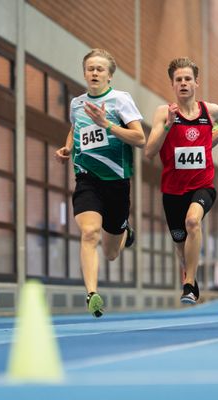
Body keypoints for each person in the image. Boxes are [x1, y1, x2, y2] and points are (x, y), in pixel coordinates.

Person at [55, 49, 145, 317]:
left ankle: (125, 232)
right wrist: (68, 147)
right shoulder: (76, 104)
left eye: (100, 69)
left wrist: (107, 125)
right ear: (84, 72)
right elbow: (75, 128)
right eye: (90, 68)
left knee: (111, 253)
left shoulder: (121, 101)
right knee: (89, 233)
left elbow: (140, 138)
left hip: (117, 181)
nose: (94, 73)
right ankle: (92, 294)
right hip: (87, 178)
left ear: (109, 75)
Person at [144, 57, 218, 305]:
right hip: (173, 190)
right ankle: (190, 277)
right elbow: (149, 152)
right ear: (173, 84)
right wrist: (167, 127)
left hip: (203, 186)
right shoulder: (163, 113)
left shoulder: (211, 111)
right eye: (179, 80)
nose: (184, 83)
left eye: (188, 79)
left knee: (192, 222)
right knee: (180, 243)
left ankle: (189, 283)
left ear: (196, 82)